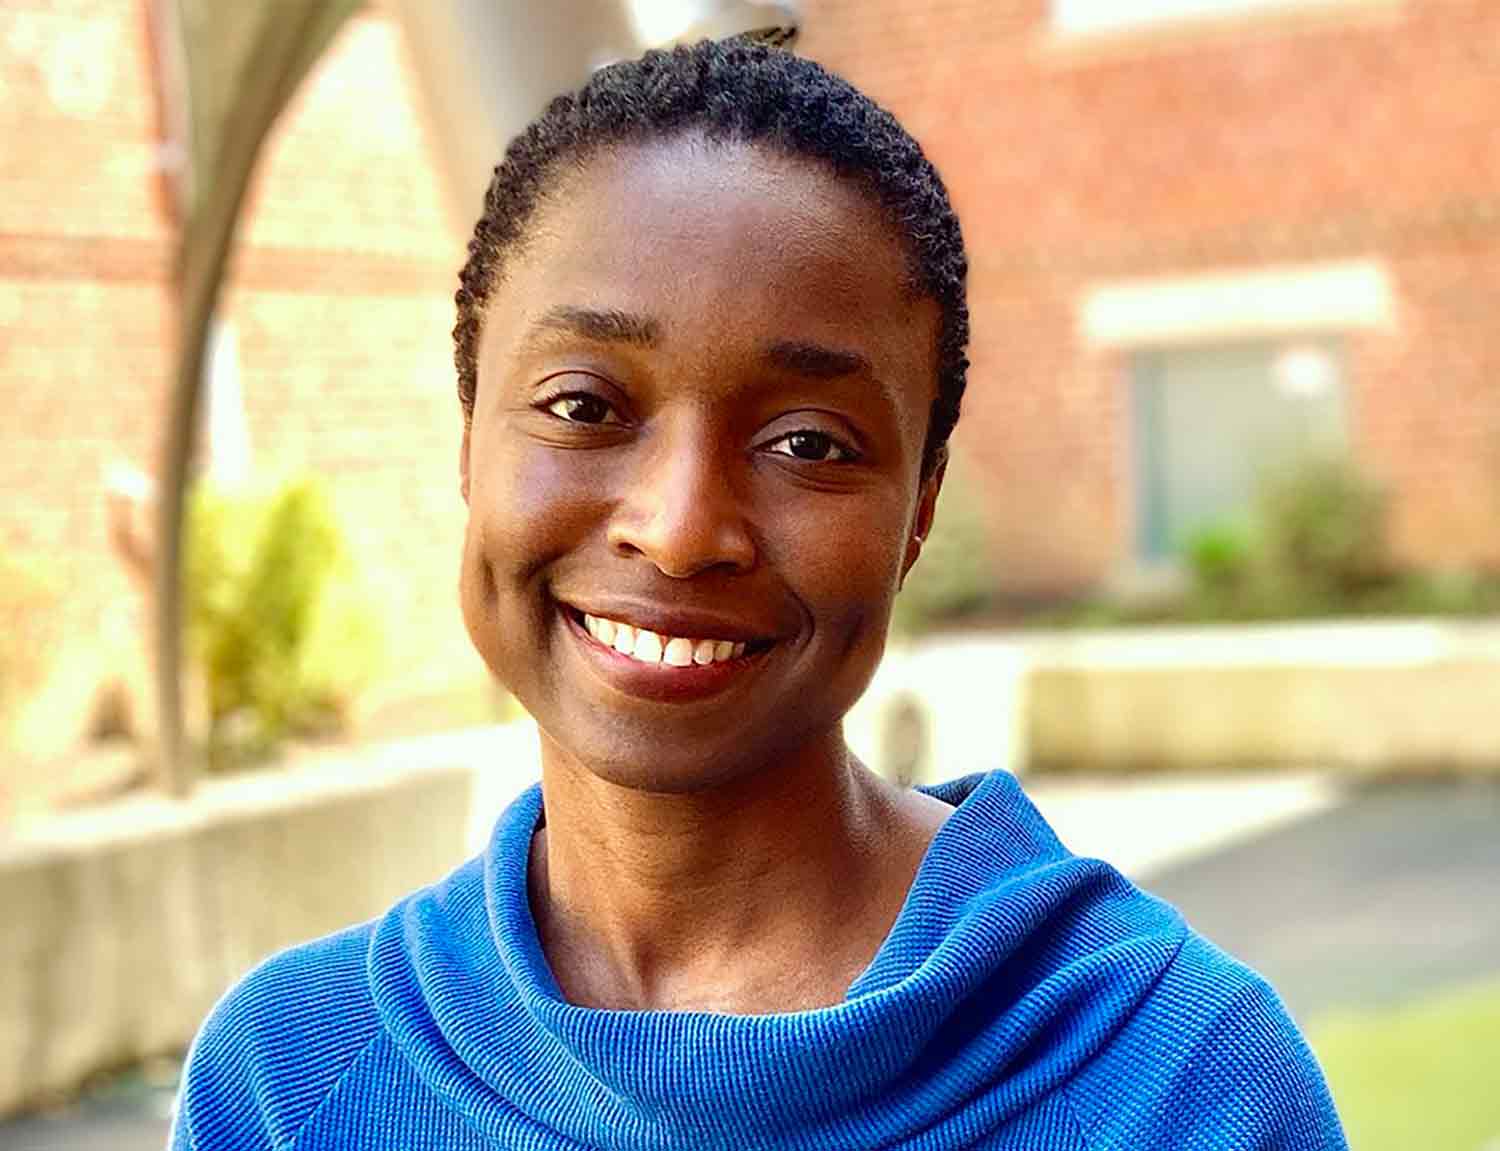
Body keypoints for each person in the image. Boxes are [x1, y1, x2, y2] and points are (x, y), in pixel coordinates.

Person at [169, 39, 1348, 1150]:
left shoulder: (1178, 1081)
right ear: (470, 436)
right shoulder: (291, 1082)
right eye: (585, 405)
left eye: (809, 443)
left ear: (920, 504)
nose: (681, 528)